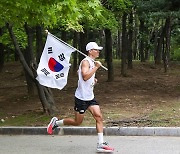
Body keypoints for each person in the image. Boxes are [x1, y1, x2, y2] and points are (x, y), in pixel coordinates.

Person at [47, 42, 114, 152]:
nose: (98, 51)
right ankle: (56, 123)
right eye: (96, 50)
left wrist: (94, 79)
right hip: (81, 98)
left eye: (98, 50)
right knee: (78, 122)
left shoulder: (91, 62)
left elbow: (84, 76)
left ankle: (101, 143)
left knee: (99, 117)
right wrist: (96, 68)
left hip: (90, 97)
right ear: (90, 51)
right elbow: (85, 76)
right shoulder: (86, 62)